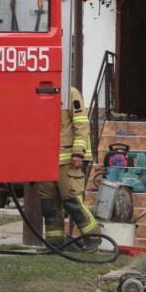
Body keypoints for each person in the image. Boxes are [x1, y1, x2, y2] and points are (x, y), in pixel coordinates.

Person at [39, 87, 101, 252]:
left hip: (68, 159)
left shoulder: (70, 93)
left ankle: (93, 237)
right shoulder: (39, 91)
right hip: (46, 159)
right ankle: (54, 243)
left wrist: (78, 152)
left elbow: (81, 123)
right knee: (48, 204)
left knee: (72, 201)